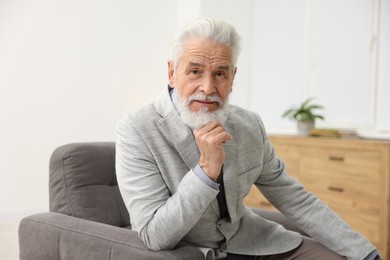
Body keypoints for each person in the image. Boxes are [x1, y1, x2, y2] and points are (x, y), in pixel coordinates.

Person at [115, 17, 380, 260]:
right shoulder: (136, 129)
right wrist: (205, 172)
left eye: (220, 73)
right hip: (192, 253)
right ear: (172, 73)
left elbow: (294, 198)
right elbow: (154, 235)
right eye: (195, 71)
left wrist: (365, 253)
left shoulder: (249, 125)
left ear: (232, 78)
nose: (208, 88)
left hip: (254, 243)